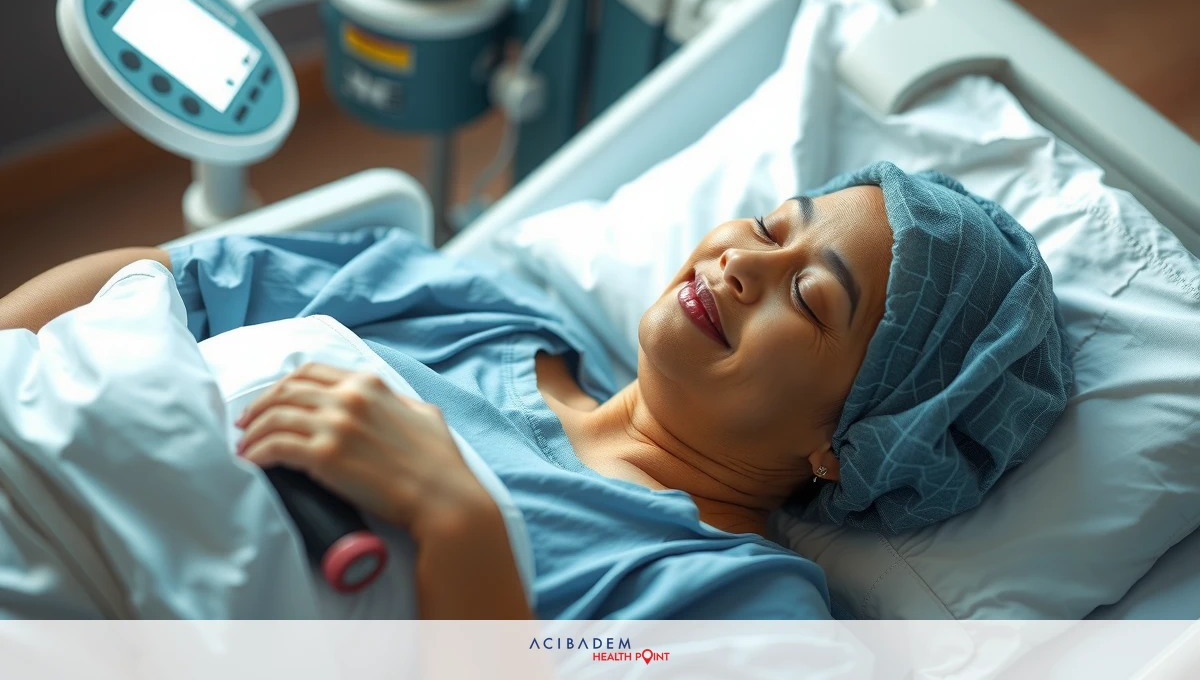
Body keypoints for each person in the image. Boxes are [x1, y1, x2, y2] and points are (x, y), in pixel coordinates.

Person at [0, 161, 1073, 619]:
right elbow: (156, 276)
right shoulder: (467, 298)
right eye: (772, 223)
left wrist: (458, 521)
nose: (744, 259)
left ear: (853, 439)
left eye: (812, 295)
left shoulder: (728, 601)